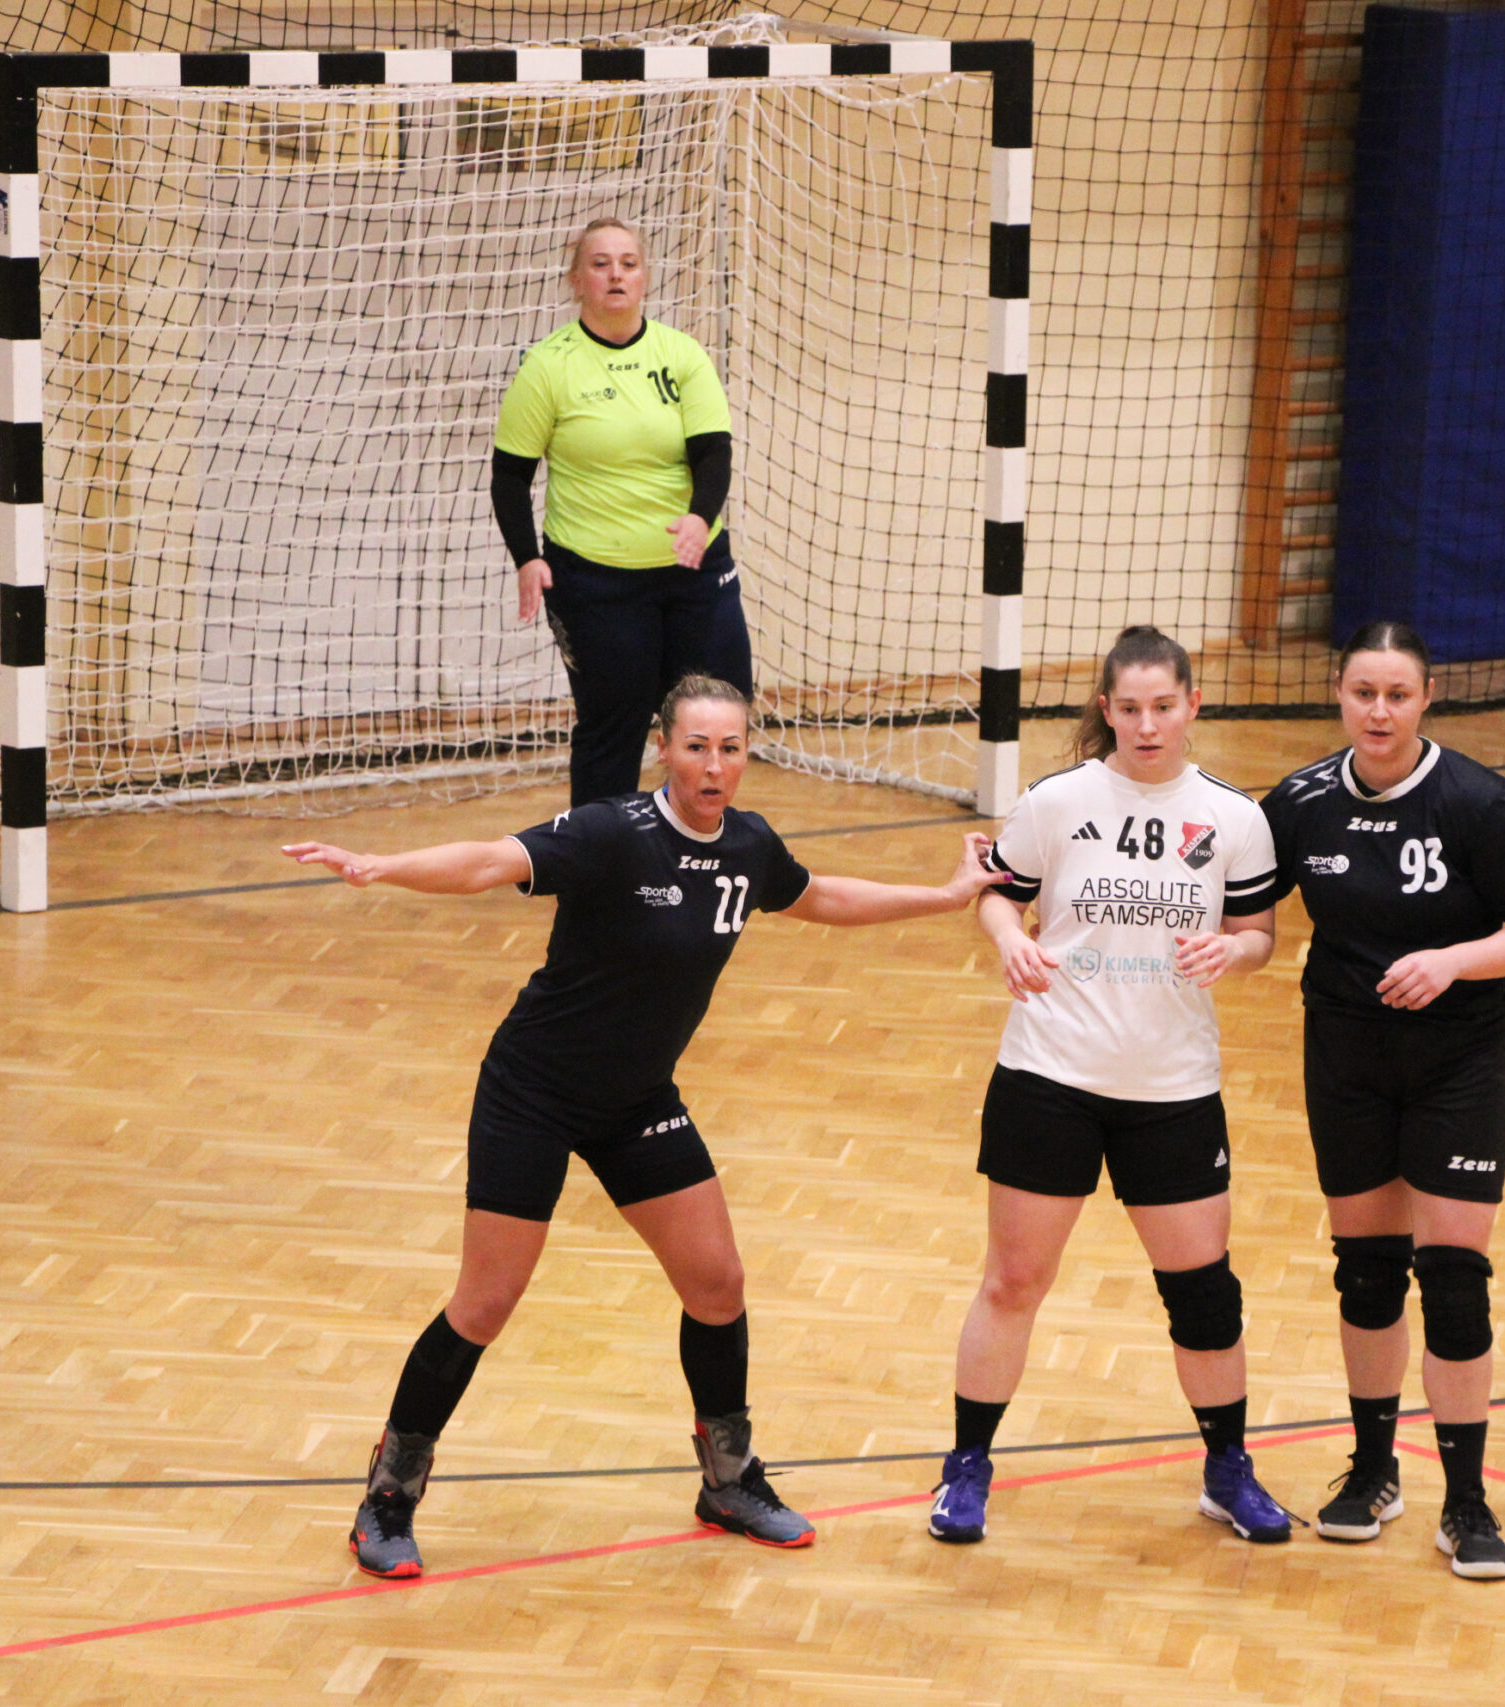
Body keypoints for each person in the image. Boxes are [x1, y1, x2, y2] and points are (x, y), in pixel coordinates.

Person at [282, 673, 1005, 1579]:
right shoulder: (610, 834)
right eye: (696, 747)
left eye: (731, 748)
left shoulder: (748, 844)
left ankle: (728, 1479)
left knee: (717, 1282)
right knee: (485, 1300)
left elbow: (819, 896)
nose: (714, 766)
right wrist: (380, 866)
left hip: (636, 1100)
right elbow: (488, 861)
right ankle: (388, 1497)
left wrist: (945, 895)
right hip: (533, 1091)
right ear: (664, 747)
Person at [928, 625, 1295, 1546]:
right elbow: (998, 892)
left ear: (1192, 704)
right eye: (1129, 708)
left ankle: (1227, 1470)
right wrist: (1007, 938)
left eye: (1164, 706)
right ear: (1107, 709)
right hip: (1049, 1075)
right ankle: (966, 1468)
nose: (1147, 724)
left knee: (1204, 1291)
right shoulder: (1056, 802)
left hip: (1173, 1087)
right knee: (1014, 1280)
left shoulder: (1235, 817)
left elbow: (1259, 932)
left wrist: (1236, 952)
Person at [1259, 620, 1505, 1580]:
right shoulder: (1299, 803)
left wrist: (1452, 962)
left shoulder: (1479, 801)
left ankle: (1466, 1499)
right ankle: (1373, 1470)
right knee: (1366, 1272)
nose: (1380, 711)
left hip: (1457, 1059)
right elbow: (1244, 908)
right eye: (1364, 692)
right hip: (1346, 1056)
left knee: (1456, 1278)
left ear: (1427, 697)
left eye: (1398, 694)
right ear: (1339, 694)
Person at [494, 216, 752, 807]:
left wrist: (698, 517)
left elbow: (713, 453)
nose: (616, 274)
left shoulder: (681, 355)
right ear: (576, 279)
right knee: (614, 725)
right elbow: (510, 475)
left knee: (716, 716)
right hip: (596, 583)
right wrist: (527, 558)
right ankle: (600, 855)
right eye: (601, 263)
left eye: (628, 264)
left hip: (695, 575)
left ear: (645, 278)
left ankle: (698, 846)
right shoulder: (549, 366)